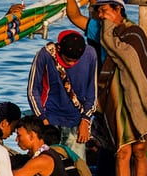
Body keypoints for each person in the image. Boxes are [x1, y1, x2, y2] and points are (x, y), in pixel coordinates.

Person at [90, 0, 147, 176]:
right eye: (99, 11)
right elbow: (80, 18)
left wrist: (109, 30)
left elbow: (135, 63)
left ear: (118, 9)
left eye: (105, 10)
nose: (102, 15)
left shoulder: (135, 34)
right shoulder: (103, 33)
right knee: (123, 153)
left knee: (140, 151)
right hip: (115, 102)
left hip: (138, 101)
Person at [26, 29, 97, 162]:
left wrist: (85, 120)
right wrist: (43, 120)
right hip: (49, 120)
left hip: (76, 122)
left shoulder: (90, 54)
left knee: (78, 169)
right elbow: (32, 90)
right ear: (59, 49)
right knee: (46, 166)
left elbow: (92, 92)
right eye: (68, 60)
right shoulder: (45, 55)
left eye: (75, 61)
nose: (71, 64)